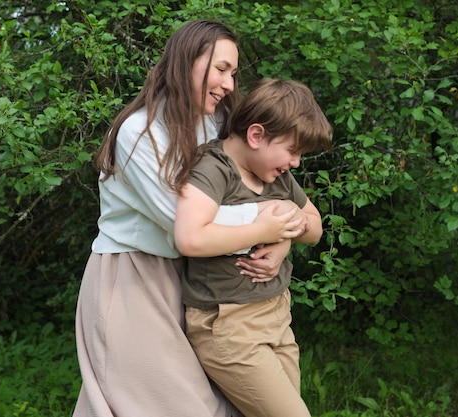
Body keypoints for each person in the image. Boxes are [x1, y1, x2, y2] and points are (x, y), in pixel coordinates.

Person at [72, 21, 307, 417]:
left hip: (199, 280)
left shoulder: (215, 122)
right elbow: (184, 223)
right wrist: (270, 223)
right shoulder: (137, 132)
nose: (230, 84)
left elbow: (267, 186)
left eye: (233, 73)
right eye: (221, 69)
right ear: (185, 63)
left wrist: (280, 235)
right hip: (133, 279)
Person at [174, 78, 333, 417]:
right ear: (257, 135)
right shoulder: (213, 170)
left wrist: (285, 236)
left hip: (276, 314)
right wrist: (263, 228)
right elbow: (190, 238)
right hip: (229, 324)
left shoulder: (275, 176)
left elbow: (315, 226)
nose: (296, 163)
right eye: (293, 151)